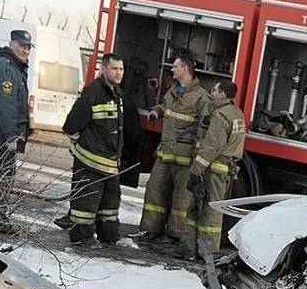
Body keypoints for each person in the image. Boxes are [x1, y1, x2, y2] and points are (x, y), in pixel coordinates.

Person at [138, 54, 209, 242]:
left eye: (175, 67)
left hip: (185, 158)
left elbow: (204, 128)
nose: (172, 69)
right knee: (154, 189)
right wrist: (157, 110)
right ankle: (151, 229)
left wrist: (197, 156)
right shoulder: (173, 91)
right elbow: (167, 106)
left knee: (181, 198)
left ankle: (175, 235)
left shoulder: (201, 97)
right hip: (165, 152)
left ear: (185, 69)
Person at [57, 53, 125, 246]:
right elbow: (71, 125)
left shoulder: (117, 93)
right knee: (85, 204)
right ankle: (82, 238)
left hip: (110, 163)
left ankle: (109, 236)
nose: (119, 73)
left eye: (121, 69)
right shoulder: (92, 92)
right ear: (103, 69)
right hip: (90, 162)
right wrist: (82, 146)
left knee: (110, 205)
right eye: (114, 69)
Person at [181, 79, 246, 259]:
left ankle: (205, 253)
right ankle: (190, 249)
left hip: (214, 171)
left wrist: (196, 171)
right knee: (203, 209)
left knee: (208, 212)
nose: (212, 94)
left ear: (223, 95)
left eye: (215, 91)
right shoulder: (236, 113)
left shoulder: (220, 116)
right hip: (225, 170)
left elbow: (211, 147)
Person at [0, 29, 33, 228]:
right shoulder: (5, 66)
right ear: (11, 44)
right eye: (21, 46)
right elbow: (5, 103)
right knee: (3, 174)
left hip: (5, 132)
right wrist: (11, 135)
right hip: (2, 134)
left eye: (28, 47)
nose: (25, 51)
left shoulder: (14, 66)